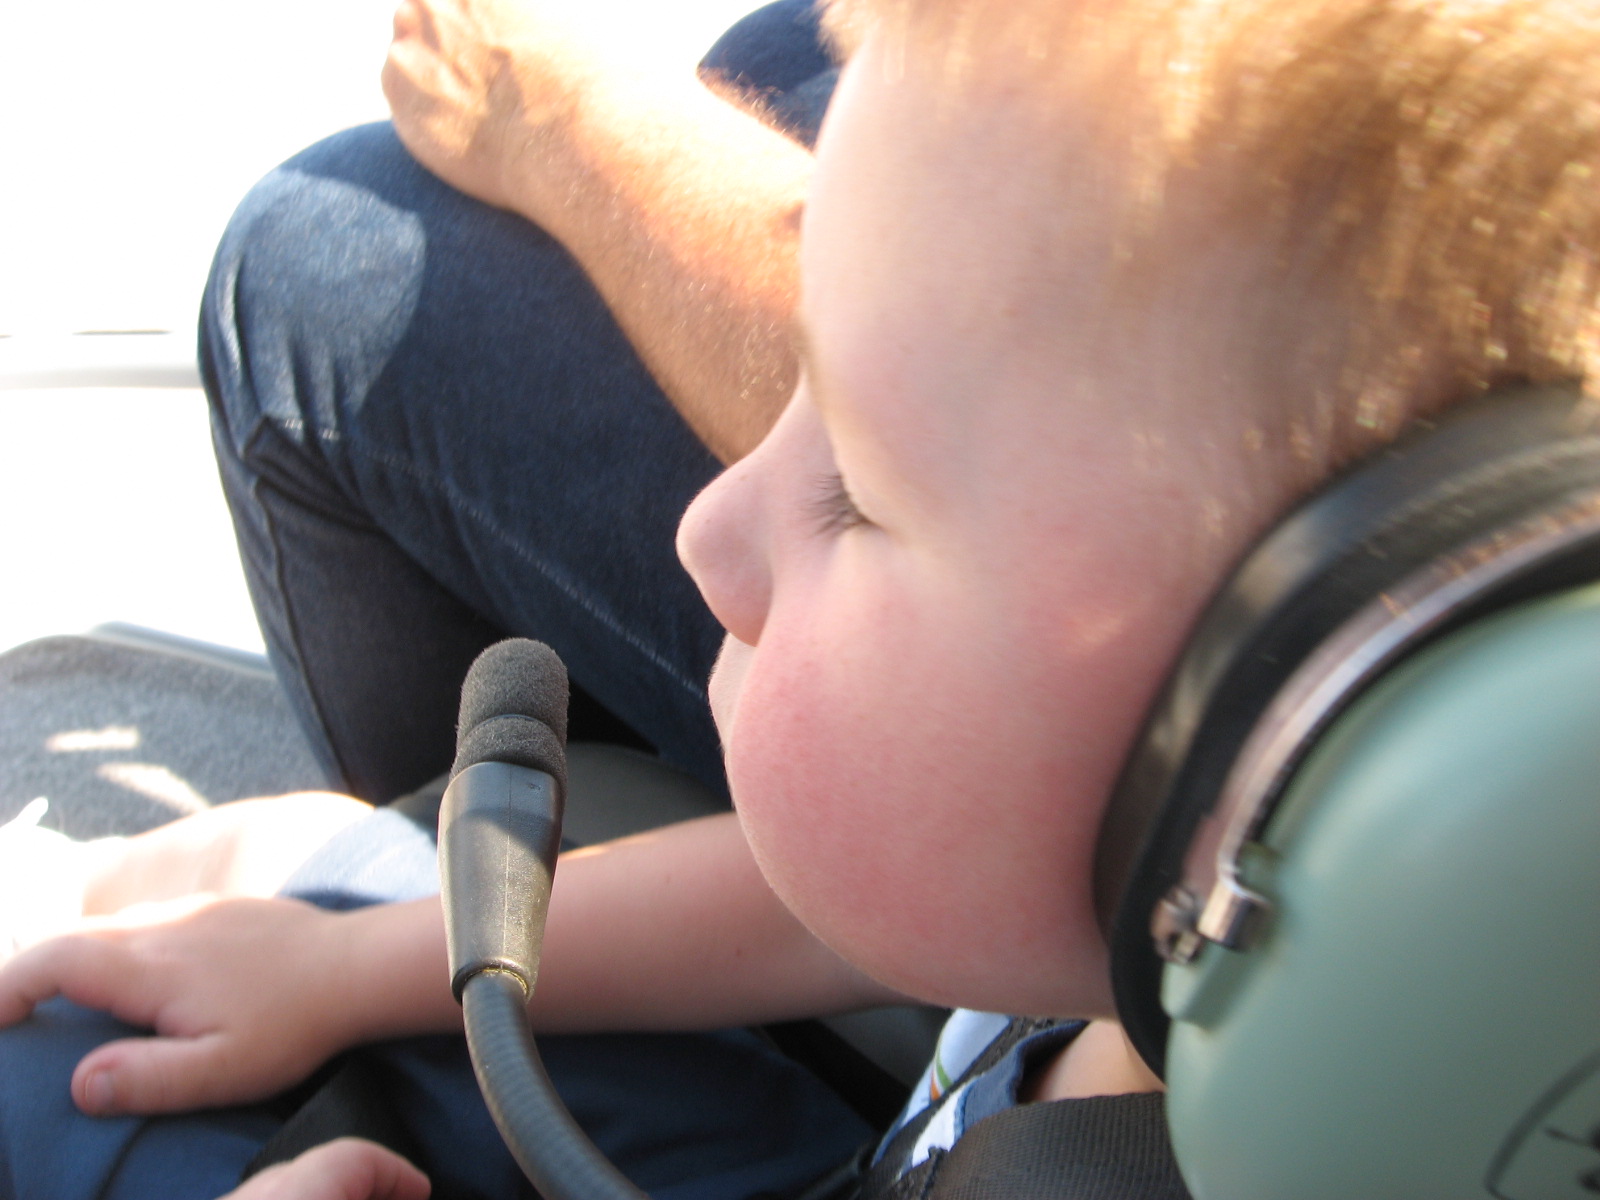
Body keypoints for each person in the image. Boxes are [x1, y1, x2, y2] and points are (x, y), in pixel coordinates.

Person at [5, 0, 1600, 1197]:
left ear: (1287, 770)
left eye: (857, 494)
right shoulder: (1160, 924)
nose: (708, 530)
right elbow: (824, 920)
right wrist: (351, 961)